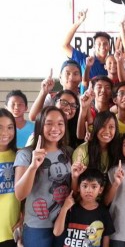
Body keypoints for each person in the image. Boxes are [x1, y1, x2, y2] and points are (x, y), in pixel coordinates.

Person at [14, 106, 72, 247]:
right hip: (36, 226)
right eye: (49, 123)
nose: (55, 128)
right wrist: (33, 166)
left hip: (64, 223)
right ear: (40, 125)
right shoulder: (26, 154)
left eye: (60, 123)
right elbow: (20, 195)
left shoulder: (68, 152)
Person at [53, 168, 115, 247]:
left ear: (100, 190)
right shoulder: (71, 208)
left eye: (94, 187)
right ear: (78, 187)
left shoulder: (103, 212)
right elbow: (56, 232)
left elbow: (106, 236)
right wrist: (64, 208)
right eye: (85, 186)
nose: (88, 190)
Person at [72, 111, 120, 184]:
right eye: (102, 126)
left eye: (111, 127)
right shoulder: (81, 151)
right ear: (96, 128)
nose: (107, 131)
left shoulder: (118, 150)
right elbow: (76, 186)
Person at [62, 9, 109, 79]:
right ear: (94, 47)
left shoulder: (113, 64)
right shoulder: (84, 60)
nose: (102, 46)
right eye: (99, 44)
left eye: (105, 44)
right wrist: (78, 23)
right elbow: (65, 46)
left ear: (109, 47)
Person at [0, 108, 21, 247]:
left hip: (12, 229)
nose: (5, 133)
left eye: (10, 127)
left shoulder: (21, 155)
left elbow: (27, 192)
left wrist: (23, 216)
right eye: (0, 127)